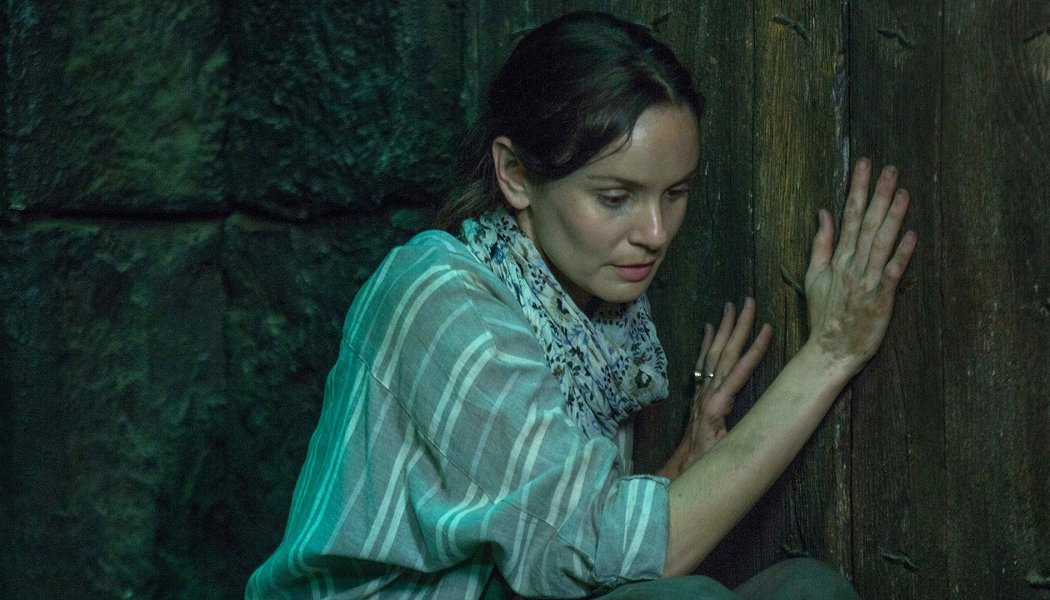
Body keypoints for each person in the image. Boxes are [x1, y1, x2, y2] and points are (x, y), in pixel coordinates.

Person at [246, 11, 916, 600]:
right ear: (515, 174)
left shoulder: (591, 318)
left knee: (807, 589)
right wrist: (830, 352)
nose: (655, 232)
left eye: (675, 194)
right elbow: (595, 550)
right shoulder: (444, 302)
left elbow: (558, 535)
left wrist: (689, 464)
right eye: (615, 198)